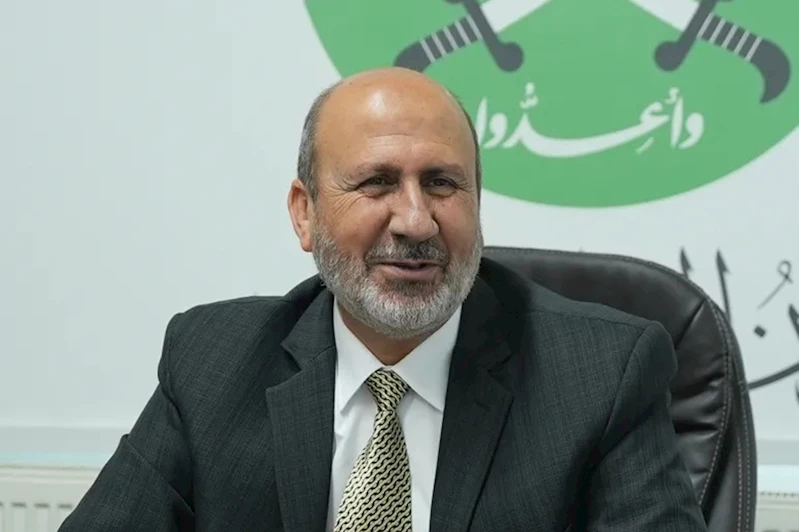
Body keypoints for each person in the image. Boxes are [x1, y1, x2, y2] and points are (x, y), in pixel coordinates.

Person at [60, 67, 708, 532]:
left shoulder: (600, 377)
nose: (416, 221)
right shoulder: (212, 363)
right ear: (305, 213)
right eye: (376, 183)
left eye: (442, 183)